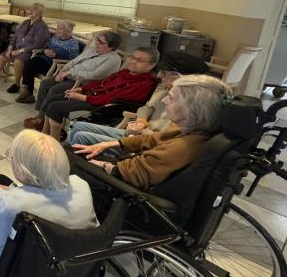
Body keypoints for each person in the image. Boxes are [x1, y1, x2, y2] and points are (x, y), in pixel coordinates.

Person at [0, 130, 98, 275]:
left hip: (13, 271)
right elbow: (39, 199)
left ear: (23, 169)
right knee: (0, 179)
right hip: (68, 268)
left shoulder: (8, 205)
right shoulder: (81, 185)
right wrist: (11, 192)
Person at [74, 75, 233, 191]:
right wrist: (109, 144)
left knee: (72, 156)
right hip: (131, 168)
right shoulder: (191, 128)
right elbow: (153, 139)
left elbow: (129, 174)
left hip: (124, 185)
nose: (164, 101)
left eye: (171, 98)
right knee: (77, 151)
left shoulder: (182, 147)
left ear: (192, 108)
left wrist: (102, 165)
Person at [67, 51, 210, 147]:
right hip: (140, 132)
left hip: (146, 143)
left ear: (179, 77)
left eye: (164, 73)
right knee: (79, 126)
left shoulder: (188, 106)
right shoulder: (166, 91)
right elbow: (146, 107)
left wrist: (140, 132)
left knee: (81, 137)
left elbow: (164, 139)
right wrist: (141, 120)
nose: (159, 76)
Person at [39, 47, 159, 142]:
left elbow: (113, 99)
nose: (133, 61)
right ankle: (44, 135)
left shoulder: (145, 83)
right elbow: (102, 83)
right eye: (132, 57)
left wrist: (83, 97)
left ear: (151, 65)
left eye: (140, 60)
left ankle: (53, 143)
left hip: (105, 108)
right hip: (94, 98)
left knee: (56, 107)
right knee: (53, 99)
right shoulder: (125, 72)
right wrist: (81, 89)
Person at [24, 31, 124, 130]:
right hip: (69, 75)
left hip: (82, 82)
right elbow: (74, 61)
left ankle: (41, 121)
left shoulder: (113, 59)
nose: (97, 43)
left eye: (101, 42)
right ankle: (40, 115)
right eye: (97, 40)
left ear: (111, 47)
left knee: (54, 90)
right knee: (45, 83)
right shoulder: (92, 50)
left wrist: (69, 73)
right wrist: (63, 70)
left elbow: (95, 75)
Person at [0, 3, 49, 92]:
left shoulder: (42, 26)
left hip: (28, 52)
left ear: (40, 12)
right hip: (15, 48)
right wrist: (10, 48)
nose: (30, 10)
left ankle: (16, 84)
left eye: (33, 9)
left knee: (17, 61)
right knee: (3, 57)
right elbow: (14, 37)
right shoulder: (25, 22)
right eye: (29, 8)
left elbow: (37, 44)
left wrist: (20, 51)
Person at [16, 20, 81, 103]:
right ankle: (27, 93)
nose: (57, 30)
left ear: (68, 31)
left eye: (60, 29)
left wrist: (56, 55)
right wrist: (45, 50)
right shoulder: (55, 38)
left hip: (57, 65)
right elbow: (45, 47)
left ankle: (27, 93)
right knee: (29, 63)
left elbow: (73, 59)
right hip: (45, 59)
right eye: (57, 28)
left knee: (31, 66)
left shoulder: (73, 43)